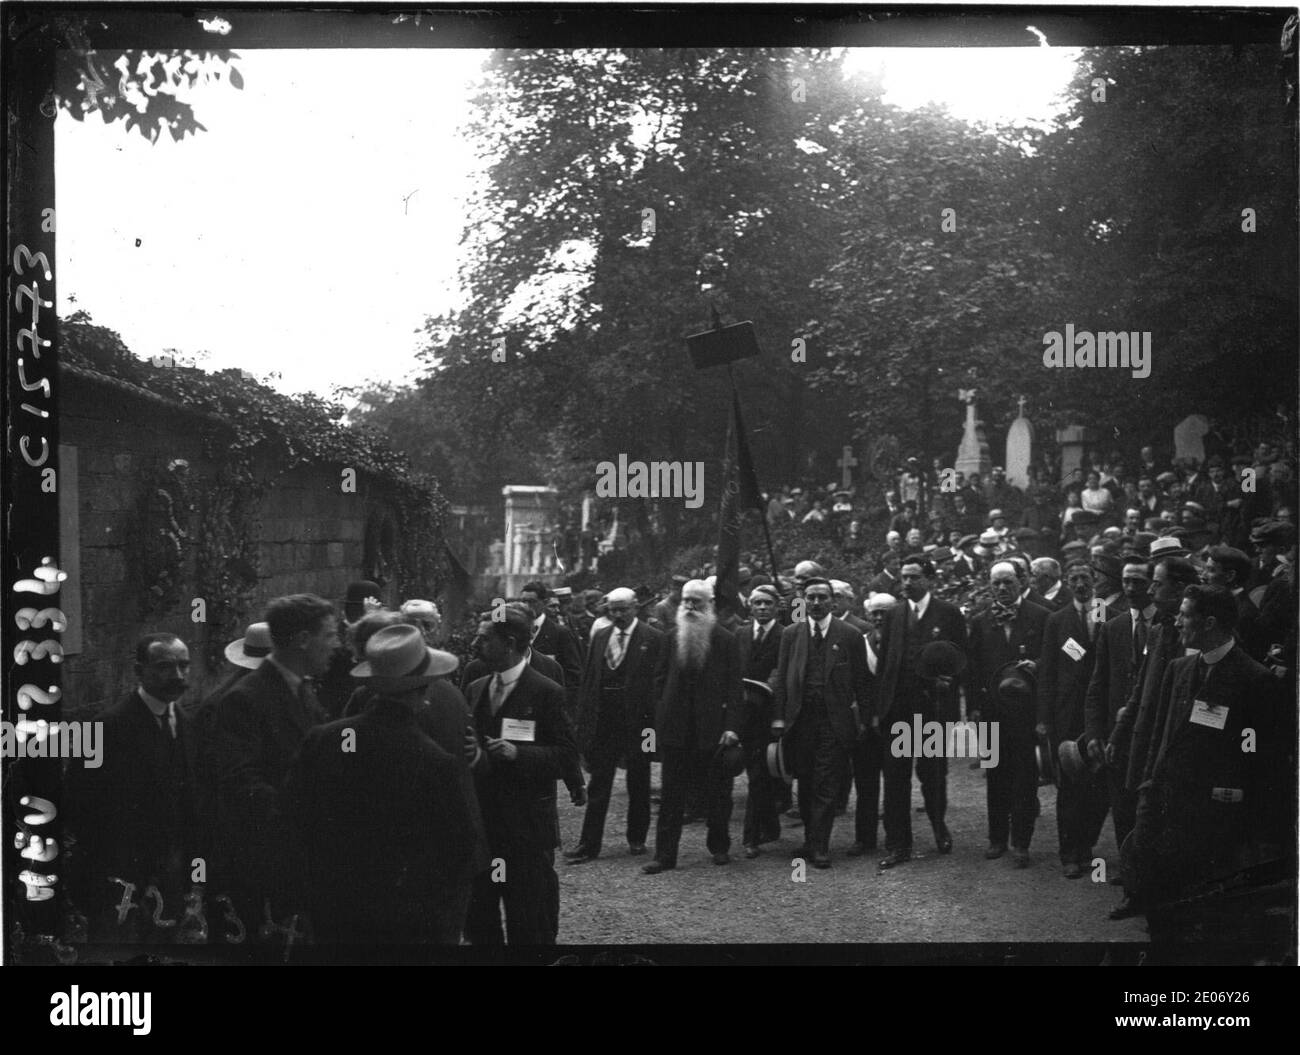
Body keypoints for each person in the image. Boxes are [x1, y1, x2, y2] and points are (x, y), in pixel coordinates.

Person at [285, 625, 477, 944]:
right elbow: (459, 850)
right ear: (424, 691)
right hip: (405, 922)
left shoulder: (323, 739)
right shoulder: (435, 761)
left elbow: (292, 817)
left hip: (332, 913)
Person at [1121, 585, 1287, 921]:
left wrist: (1234, 790)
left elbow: (1257, 749)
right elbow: (1161, 731)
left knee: (1197, 904)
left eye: (1184, 615)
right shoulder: (1179, 669)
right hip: (1164, 791)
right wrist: (1148, 782)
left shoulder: (1254, 678)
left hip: (1211, 805)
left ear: (1209, 622)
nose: (1178, 622)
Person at [65, 633, 203, 942]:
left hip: (169, 874)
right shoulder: (105, 727)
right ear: (139, 671)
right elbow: (78, 804)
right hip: (117, 876)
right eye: (165, 667)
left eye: (184, 666)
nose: (177, 675)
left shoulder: (188, 724)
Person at [213, 594, 338, 929]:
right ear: (302, 640)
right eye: (329, 635)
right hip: (269, 867)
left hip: (301, 860)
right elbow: (241, 783)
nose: (336, 645)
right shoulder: (246, 699)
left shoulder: (301, 690)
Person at [463, 608, 579, 944]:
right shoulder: (475, 689)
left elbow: (569, 756)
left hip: (526, 833)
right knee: (482, 923)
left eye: (484, 638)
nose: (475, 644)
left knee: (529, 922)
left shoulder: (546, 692)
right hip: (485, 830)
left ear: (509, 643)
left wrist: (520, 754)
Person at [642, 580, 742, 874]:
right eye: (686, 601)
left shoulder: (725, 639)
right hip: (676, 730)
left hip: (712, 731)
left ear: (709, 605)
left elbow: (735, 688)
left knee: (717, 793)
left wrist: (732, 727)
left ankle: (720, 846)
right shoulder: (671, 637)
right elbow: (659, 680)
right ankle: (664, 856)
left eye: (697, 602)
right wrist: (661, 715)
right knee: (671, 796)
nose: (689, 607)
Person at [771, 578, 869, 869]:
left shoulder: (850, 635)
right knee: (804, 780)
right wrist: (778, 717)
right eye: (810, 597)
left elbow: (862, 681)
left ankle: (820, 846)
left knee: (826, 781)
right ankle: (809, 839)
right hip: (800, 720)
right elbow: (782, 679)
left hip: (833, 720)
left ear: (833, 601)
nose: (815, 603)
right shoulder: (791, 634)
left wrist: (863, 719)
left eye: (822, 597)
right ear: (803, 600)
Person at [874, 558, 966, 867]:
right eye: (904, 578)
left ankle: (939, 826)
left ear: (929, 578)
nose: (907, 583)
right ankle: (898, 844)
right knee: (896, 778)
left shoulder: (949, 614)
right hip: (898, 709)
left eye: (914, 577)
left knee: (933, 775)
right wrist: (880, 708)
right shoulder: (894, 615)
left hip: (932, 711)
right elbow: (886, 662)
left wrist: (949, 683)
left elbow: (961, 660)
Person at [567, 588, 664, 863]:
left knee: (639, 779)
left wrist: (654, 730)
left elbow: (659, 686)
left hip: (639, 722)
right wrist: (584, 724)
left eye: (624, 609)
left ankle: (637, 838)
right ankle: (589, 844)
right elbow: (588, 681)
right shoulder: (600, 636)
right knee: (599, 782)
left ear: (636, 608)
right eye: (613, 610)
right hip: (605, 721)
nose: (618, 615)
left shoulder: (653, 638)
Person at [968, 562, 1048, 866]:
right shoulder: (980, 620)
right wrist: (974, 706)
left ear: (1021, 582)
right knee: (996, 775)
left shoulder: (1040, 615)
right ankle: (997, 838)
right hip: (991, 710)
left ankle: (1021, 842)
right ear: (990, 586)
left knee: (1025, 776)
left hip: (1025, 711)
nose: (1002, 589)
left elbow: (1050, 658)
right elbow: (973, 667)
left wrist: (1036, 666)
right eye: (996, 583)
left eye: (1008, 582)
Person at [1035, 563, 1107, 878]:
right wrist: (1044, 718)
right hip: (1067, 713)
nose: (1080, 584)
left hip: (1101, 712)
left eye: (1085, 579)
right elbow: (1048, 670)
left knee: (1098, 783)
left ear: (1096, 581)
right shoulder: (1057, 619)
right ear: (1067, 583)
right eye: (1074, 579)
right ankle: (1069, 854)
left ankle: (1087, 846)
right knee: (1068, 785)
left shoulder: (1108, 613)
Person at [1081, 559, 1154, 859]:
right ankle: (1128, 867)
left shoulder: (1168, 625)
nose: (1131, 588)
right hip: (1117, 732)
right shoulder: (1113, 627)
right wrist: (1095, 731)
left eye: (1138, 581)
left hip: (1151, 729)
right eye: (1127, 581)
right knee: (1121, 801)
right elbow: (1098, 684)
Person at [737, 584, 783, 858]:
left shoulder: (785, 635)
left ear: (776, 607)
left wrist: (777, 712)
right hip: (742, 714)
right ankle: (770, 826)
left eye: (767, 603)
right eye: (758, 603)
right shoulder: (740, 634)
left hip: (769, 714)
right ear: (750, 607)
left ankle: (750, 837)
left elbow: (784, 672)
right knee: (755, 774)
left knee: (760, 774)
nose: (763, 608)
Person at [519, 581, 583, 696]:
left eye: (532, 602)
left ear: (543, 603)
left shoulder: (560, 633)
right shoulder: (515, 630)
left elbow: (573, 674)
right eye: (523, 601)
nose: (526, 606)